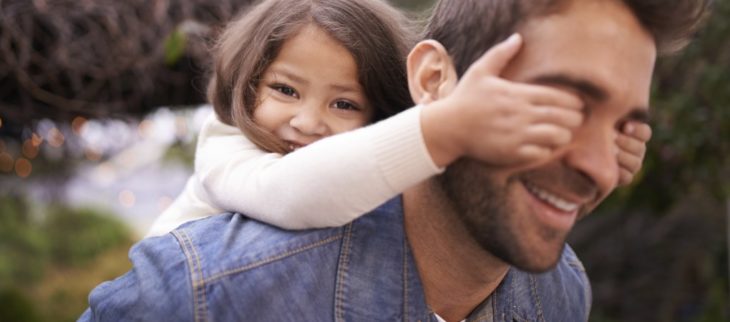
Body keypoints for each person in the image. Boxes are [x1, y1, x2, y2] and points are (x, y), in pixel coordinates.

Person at [80, 0, 707, 320]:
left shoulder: (563, 294)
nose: (602, 167)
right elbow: (297, 192)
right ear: (431, 83)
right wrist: (447, 128)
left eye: (624, 129)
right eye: (555, 106)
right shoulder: (206, 290)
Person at [145, 0, 649, 237]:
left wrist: (592, 157)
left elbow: (464, 201)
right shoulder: (226, 147)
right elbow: (293, 194)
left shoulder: (362, 165)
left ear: (380, 111)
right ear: (246, 83)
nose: (307, 121)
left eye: (344, 104)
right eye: (284, 89)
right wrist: (444, 126)